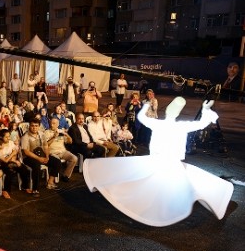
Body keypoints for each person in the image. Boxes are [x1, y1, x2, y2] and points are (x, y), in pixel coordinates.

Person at [83, 97, 234, 227]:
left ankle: (155, 209)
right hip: (163, 162)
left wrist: (146, 106)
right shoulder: (175, 125)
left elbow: (142, 118)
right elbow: (200, 124)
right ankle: (155, 209)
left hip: (166, 162)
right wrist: (205, 111)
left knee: (154, 186)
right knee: (156, 187)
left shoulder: (163, 124)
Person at [44, 118, 77, 182]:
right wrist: (54, 137)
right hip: (52, 152)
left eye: (54, 123)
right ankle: (52, 179)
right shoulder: (46, 132)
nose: (52, 125)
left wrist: (67, 135)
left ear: (58, 124)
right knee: (57, 162)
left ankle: (66, 175)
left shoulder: (61, 131)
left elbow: (70, 142)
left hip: (62, 151)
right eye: (50, 123)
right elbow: (46, 145)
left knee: (74, 158)